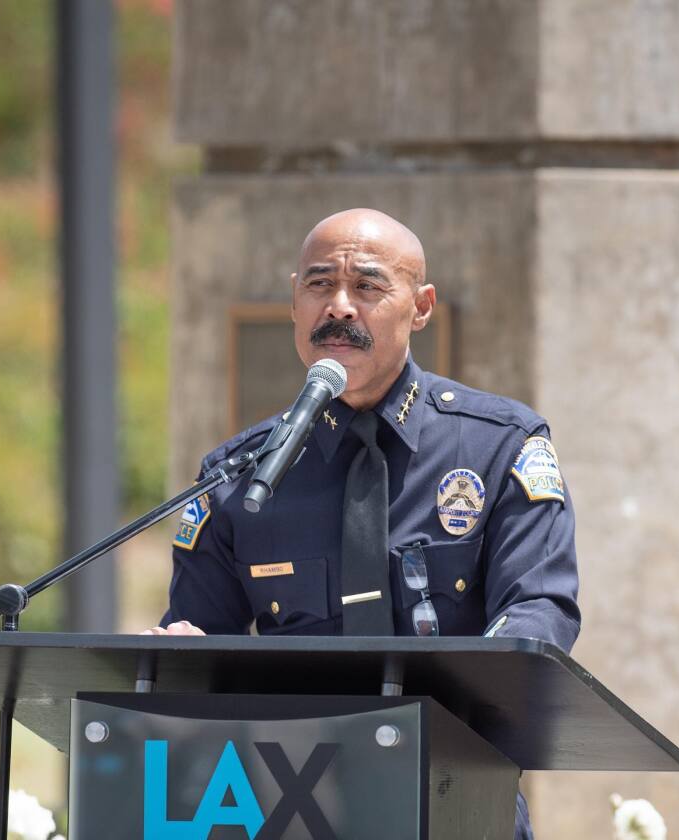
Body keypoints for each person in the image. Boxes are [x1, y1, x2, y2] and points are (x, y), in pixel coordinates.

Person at [143, 208, 580, 839]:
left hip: (451, 792)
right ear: (295, 303)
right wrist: (179, 652)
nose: (340, 307)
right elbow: (204, 641)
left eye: (369, 286)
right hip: (285, 802)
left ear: (421, 306)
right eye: (320, 285)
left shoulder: (498, 447)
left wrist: (449, 709)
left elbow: (540, 607)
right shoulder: (239, 474)